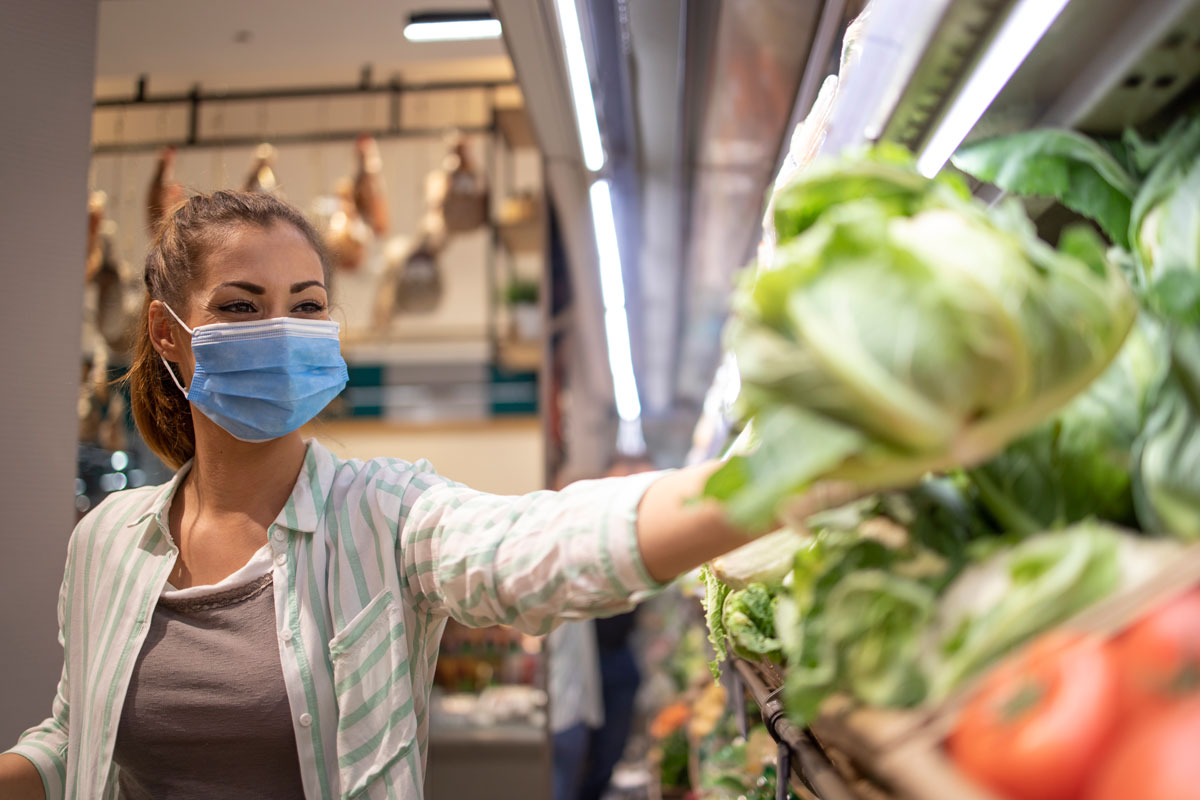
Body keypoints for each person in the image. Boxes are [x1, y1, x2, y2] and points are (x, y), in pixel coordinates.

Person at [0, 190, 769, 800]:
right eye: (240, 306)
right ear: (168, 334)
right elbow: (76, 738)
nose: (283, 329)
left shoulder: (383, 514)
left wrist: (769, 481)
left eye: (305, 306)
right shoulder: (106, 540)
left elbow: (534, 550)